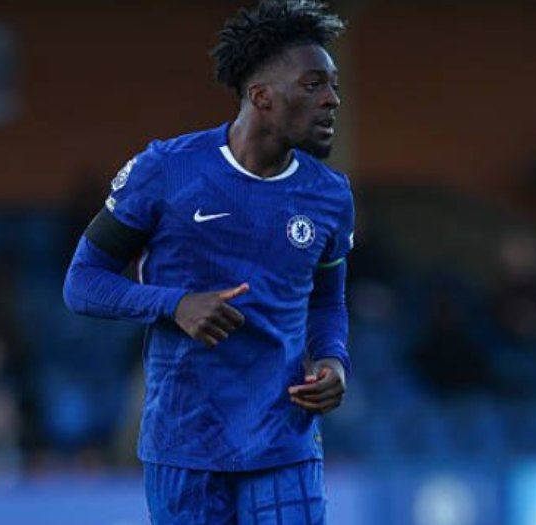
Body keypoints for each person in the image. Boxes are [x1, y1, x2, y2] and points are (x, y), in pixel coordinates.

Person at [62, 1, 354, 523]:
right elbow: (82, 282)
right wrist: (175, 305)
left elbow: (328, 301)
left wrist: (332, 361)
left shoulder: (330, 194)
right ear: (261, 96)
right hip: (185, 445)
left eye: (333, 85)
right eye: (313, 85)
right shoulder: (166, 170)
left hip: (283, 443)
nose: (332, 99)